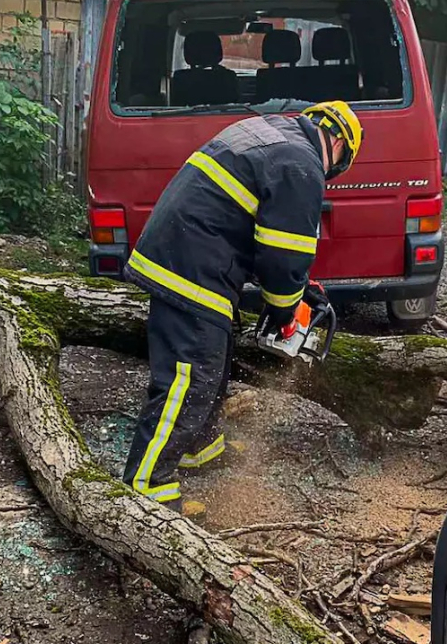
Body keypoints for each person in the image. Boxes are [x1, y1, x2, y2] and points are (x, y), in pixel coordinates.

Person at [122, 100, 363, 511]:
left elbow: (253, 227)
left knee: (215, 360)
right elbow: (284, 254)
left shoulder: (268, 131)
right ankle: (145, 489)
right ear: (340, 144)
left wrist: (297, 290)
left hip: (187, 252)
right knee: (191, 376)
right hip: (191, 268)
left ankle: (201, 449)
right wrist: (286, 312)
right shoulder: (302, 164)